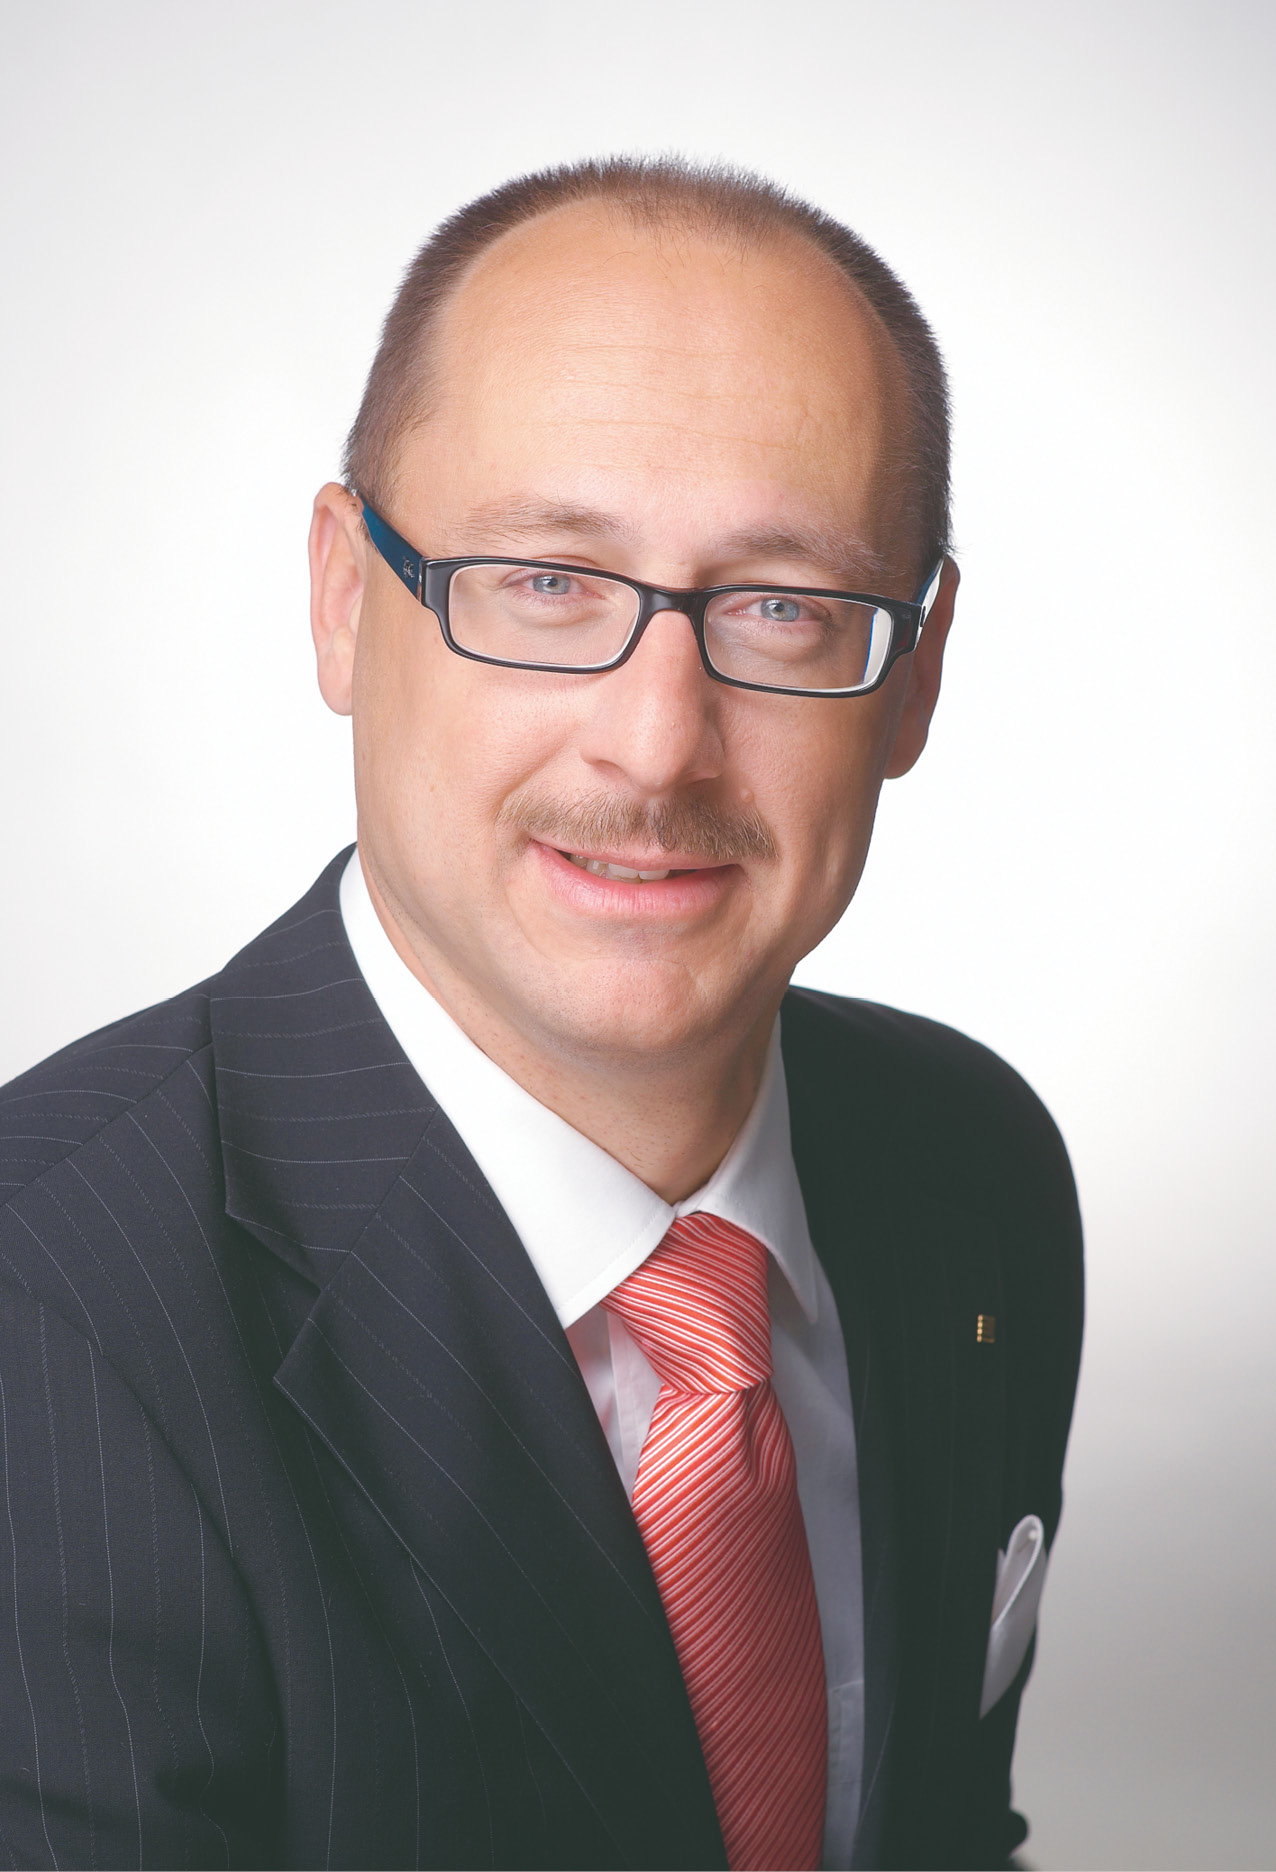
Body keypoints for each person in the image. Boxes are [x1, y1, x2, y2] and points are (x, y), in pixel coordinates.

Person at [0, 157, 1082, 1872]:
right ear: (346, 598)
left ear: (916, 677)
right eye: (546, 582)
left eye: (784, 607)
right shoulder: (46, 1309)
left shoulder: (975, 1168)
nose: (656, 744)